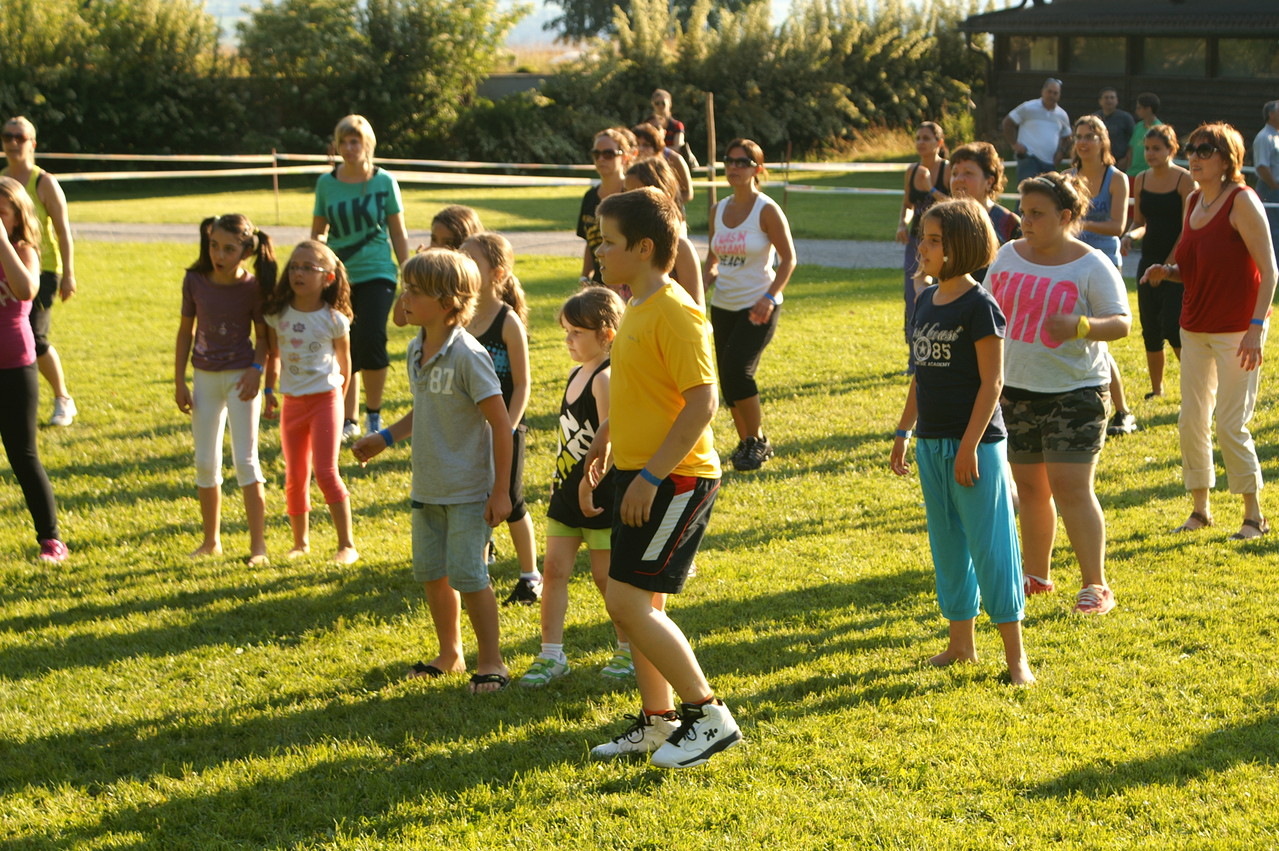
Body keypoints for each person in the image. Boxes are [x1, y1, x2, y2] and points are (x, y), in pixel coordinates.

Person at [584, 187, 739, 768]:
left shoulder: (675, 311)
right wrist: (606, 441)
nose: (599, 251)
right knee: (637, 602)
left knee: (626, 601)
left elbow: (703, 402)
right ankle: (659, 721)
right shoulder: (637, 307)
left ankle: (709, 715)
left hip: (676, 480)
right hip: (639, 475)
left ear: (644, 248)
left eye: (609, 242)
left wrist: (650, 475)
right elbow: (642, 392)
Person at [352, 249, 514, 693]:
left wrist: (501, 491)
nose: (404, 298)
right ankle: (450, 654)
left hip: (467, 491)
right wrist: (385, 437)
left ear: (447, 303)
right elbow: (424, 409)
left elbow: (501, 425)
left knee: (470, 577)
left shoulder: (468, 355)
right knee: (433, 575)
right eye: (405, 288)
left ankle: (492, 661)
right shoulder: (415, 350)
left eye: (414, 292)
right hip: (427, 487)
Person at [890, 199, 1033, 686]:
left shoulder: (980, 306)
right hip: (931, 444)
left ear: (961, 246)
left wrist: (970, 445)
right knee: (948, 546)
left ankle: (1016, 659)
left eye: (934, 240)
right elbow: (921, 375)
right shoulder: (927, 300)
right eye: (922, 238)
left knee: (992, 549)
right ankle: (961, 645)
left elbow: (993, 383)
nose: (923, 248)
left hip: (976, 447)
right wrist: (903, 432)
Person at [986, 172, 1131, 615]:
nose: (1025, 222)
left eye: (1037, 214)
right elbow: (987, 310)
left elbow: (1121, 323)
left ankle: (1096, 586)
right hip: (1016, 392)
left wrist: (1081, 326)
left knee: (1071, 488)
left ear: (1065, 216)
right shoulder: (1008, 255)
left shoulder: (1091, 265)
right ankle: (1036, 576)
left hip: (1075, 393)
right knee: (1030, 489)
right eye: (1023, 212)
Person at [1142, 123, 1279, 540]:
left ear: (1227, 159)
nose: (1195, 157)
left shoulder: (1243, 201)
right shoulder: (1193, 201)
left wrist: (1256, 327)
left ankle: (1253, 517)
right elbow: (1195, 267)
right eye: (1192, 149)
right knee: (1191, 420)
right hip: (1194, 326)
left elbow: (1270, 271)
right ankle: (1200, 510)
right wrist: (1167, 271)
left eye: (1205, 150)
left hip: (1238, 330)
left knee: (1230, 424)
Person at [518, 286, 633, 687]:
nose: (568, 340)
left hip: (599, 495)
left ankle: (628, 649)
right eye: (566, 332)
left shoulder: (605, 379)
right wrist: (561, 483)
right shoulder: (575, 373)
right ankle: (551, 655)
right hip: (567, 492)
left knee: (605, 578)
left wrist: (589, 483)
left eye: (576, 333)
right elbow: (569, 438)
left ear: (607, 334)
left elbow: (612, 442)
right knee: (553, 571)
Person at [174, 214, 275, 566]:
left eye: (229, 249)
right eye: (214, 246)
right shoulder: (195, 280)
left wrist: (256, 371)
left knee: (246, 461)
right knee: (205, 462)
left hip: (241, 380)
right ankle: (211, 541)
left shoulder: (253, 287)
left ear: (246, 252)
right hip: (204, 378)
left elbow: (263, 339)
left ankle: (258, 546)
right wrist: (179, 381)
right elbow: (185, 332)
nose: (218, 254)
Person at [311, 115, 410, 442]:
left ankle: (374, 414)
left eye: (355, 141)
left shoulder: (385, 182)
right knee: (345, 341)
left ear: (367, 144)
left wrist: (408, 272)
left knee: (371, 337)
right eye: (343, 142)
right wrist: (312, 267)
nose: (349, 148)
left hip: (378, 270)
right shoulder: (326, 184)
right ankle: (348, 418)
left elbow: (397, 231)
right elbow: (318, 232)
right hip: (339, 275)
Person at [262, 240, 358, 565]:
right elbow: (274, 355)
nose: (298, 273)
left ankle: (346, 545)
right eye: (294, 267)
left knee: (326, 471)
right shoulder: (278, 315)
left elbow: (345, 365)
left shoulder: (334, 319)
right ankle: (300, 543)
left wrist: (340, 400)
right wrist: (269, 390)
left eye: (307, 268)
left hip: (325, 401)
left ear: (328, 278)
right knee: (295, 474)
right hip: (292, 404)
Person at [461, 232, 543, 606]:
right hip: (469, 429)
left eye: (471, 260)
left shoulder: (507, 321)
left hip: (505, 427)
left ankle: (530, 576)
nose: (462, 265)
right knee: (476, 499)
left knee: (511, 500)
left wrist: (507, 427)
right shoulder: (460, 317)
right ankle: (478, 570)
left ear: (497, 274)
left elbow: (523, 383)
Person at [705, 139, 797, 472]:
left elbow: (788, 260)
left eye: (742, 162)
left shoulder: (766, 210)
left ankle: (758, 440)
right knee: (727, 379)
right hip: (722, 305)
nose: (733, 167)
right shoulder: (718, 210)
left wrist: (769, 297)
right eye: (729, 161)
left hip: (758, 304)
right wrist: (698, 288)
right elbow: (713, 261)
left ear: (757, 169)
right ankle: (745, 443)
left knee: (739, 370)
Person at [0, 176, 66, 562]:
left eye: (1, 213)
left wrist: (1, 241)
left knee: (22, 455)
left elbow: (26, 290)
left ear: (17, 215)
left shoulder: (24, 251)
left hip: (14, 365)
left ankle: (51, 540)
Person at [1, 117, 77, 426]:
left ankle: (62, 398)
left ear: (33, 143)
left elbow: (63, 230)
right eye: (7, 136)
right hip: (7, 268)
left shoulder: (44, 182)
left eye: (19, 137)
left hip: (41, 269)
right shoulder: (2, 180)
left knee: (35, 335)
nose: (13, 142)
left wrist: (69, 273)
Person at [1068, 115, 1137, 437]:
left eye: (1089, 136)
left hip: (1105, 264)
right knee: (1079, 338)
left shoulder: (1117, 178)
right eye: (1079, 136)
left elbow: (1117, 226)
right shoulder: (1068, 178)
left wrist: (1078, 223)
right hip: (1070, 262)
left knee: (1097, 340)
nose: (1083, 142)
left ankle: (1122, 411)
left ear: (1103, 141)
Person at [1122, 124, 1192, 398]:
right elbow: (1141, 223)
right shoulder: (1141, 179)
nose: (1150, 153)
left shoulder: (1185, 180)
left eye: (1156, 149)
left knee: (1173, 327)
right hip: (1148, 262)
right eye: (1147, 148)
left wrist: (1167, 267)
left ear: (1171, 150)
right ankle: (1156, 390)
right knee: (1150, 328)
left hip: (1177, 265)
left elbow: (1188, 229)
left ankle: (1197, 385)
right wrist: (1130, 236)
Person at [895, 122, 951, 368]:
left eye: (926, 138)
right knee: (913, 296)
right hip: (917, 240)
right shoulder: (912, 170)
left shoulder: (948, 170)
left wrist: (931, 188)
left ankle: (941, 351)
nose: (920, 143)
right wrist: (902, 224)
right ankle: (914, 358)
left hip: (944, 241)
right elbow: (908, 204)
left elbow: (955, 205)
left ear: (939, 142)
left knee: (941, 293)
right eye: (918, 138)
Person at [624, 156, 704, 306]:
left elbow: (696, 311)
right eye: (625, 194)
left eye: (638, 196)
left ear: (665, 197)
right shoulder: (625, 244)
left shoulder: (680, 248)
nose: (629, 204)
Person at [948, 142, 1020, 281]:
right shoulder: (943, 219)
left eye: (968, 173)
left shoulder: (1008, 223)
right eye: (954, 173)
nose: (958, 179)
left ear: (989, 181)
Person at [578, 128, 637, 287]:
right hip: (600, 283)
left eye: (608, 154)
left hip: (629, 285)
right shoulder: (590, 197)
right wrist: (584, 277)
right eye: (596, 154)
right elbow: (590, 241)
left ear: (624, 157)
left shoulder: (632, 195)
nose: (601, 159)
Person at [1002, 78, 1072, 187]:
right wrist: (1014, 144)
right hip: (1029, 158)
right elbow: (1008, 122)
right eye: (1049, 92)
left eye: (1055, 93)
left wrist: (1061, 153)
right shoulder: (1028, 107)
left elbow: (1067, 137)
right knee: (1028, 190)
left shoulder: (1062, 115)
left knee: (1048, 193)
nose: (1052, 96)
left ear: (1059, 95)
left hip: (1050, 162)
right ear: (1043, 91)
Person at [631, 123, 693, 207]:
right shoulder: (630, 164)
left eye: (646, 145)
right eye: (637, 144)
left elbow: (688, 193)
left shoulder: (675, 159)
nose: (640, 149)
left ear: (656, 148)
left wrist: (664, 205)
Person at [1252, 100, 1279, 252]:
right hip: (1270, 190)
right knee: (1274, 230)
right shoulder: (1264, 137)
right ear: (1271, 114)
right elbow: (1262, 167)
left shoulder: (1276, 136)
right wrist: (1275, 187)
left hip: (1275, 189)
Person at [1093, 87, 1136, 173]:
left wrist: (1127, 158)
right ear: (1100, 101)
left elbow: (1133, 141)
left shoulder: (1126, 118)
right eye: (1106, 97)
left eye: (1112, 97)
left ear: (1117, 101)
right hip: (1099, 161)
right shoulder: (1094, 118)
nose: (1109, 100)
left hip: (1120, 163)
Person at [1126, 93, 1163, 179]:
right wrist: (1128, 167)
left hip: (1150, 174)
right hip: (1132, 173)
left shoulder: (1159, 129)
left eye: (1139, 108)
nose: (1136, 111)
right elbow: (1131, 148)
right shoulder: (1138, 126)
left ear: (1148, 109)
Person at [647, 89, 686, 159]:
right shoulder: (648, 125)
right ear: (653, 105)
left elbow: (678, 148)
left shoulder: (676, 125)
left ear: (670, 104)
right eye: (657, 103)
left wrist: (657, 151)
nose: (660, 106)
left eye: (663, 103)